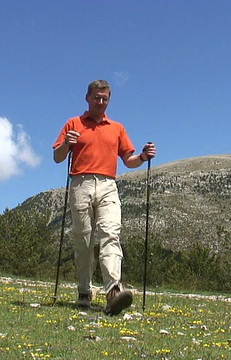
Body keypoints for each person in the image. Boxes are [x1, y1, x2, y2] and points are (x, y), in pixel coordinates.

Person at [52, 80, 156, 315]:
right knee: (84, 240)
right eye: (97, 98)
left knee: (111, 233)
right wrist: (66, 144)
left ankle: (113, 292)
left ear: (109, 100)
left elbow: (128, 160)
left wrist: (142, 156)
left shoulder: (117, 128)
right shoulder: (73, 124)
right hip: (81, 182)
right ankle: (84, 290)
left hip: (109, 184)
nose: (100, 102)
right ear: (87, 98)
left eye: (105, 99)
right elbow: (58, 157)